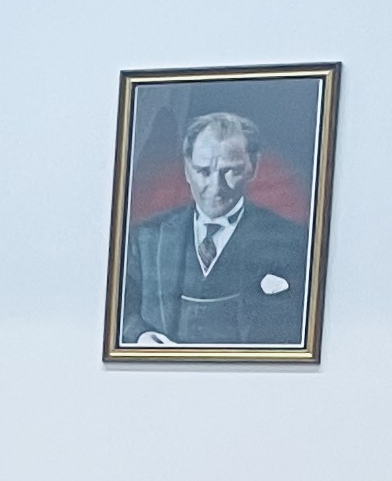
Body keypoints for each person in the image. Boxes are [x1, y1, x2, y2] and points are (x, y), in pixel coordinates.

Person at [117, 109, 314, 348]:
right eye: (203, 171)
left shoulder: (290, 241)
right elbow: (118, 308)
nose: (215, 187)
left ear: (252, 166)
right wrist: (140, 336)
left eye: (230, 171)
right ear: (187, 168)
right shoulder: (146, 238)